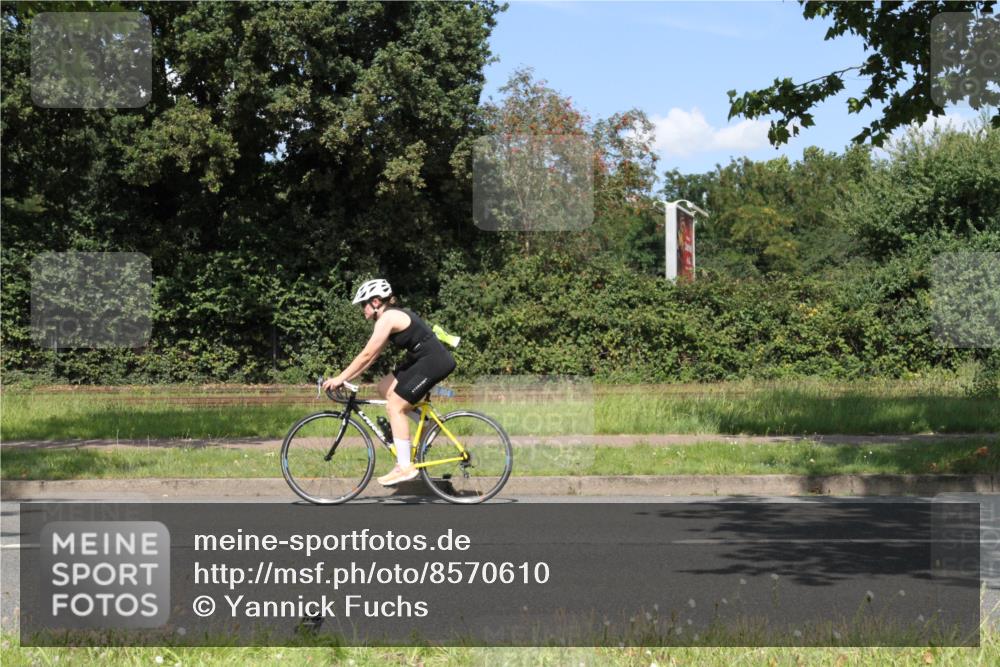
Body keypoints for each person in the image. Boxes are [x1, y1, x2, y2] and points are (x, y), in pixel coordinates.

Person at [321, 279, 456, 486]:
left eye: (363, 305)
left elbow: (366, 355)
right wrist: (346, 378)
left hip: (433, 361)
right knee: (384, 387)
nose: (362, 310)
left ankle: (405, 467)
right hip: (422, 359)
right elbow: (371, 357)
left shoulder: (387, 318)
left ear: (375, 302)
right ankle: (427, 424)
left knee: (395, 406)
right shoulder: (388, 317)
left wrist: (340, 378)